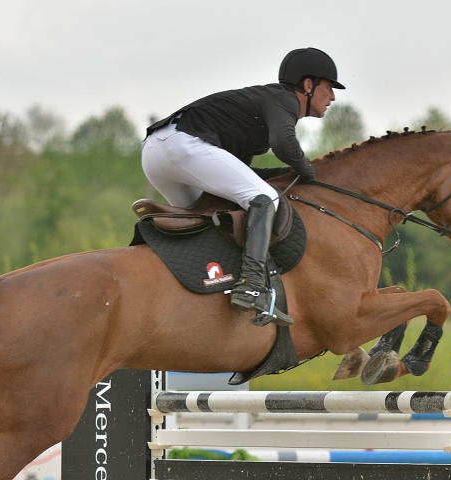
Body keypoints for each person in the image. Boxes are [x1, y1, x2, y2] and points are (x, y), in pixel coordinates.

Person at [141, 48, 345, 326]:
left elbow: (242, 173)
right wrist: (310, 171)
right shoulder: (282, 98)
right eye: (330, 87)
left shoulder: (258, 110)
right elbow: (284, 144)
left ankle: (198, 284)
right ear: (308, 85)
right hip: (181, 145)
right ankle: (252, 286)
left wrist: (289, 172)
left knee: (203, 215)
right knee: (265, 198)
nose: (333, 97)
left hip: (157, 154)